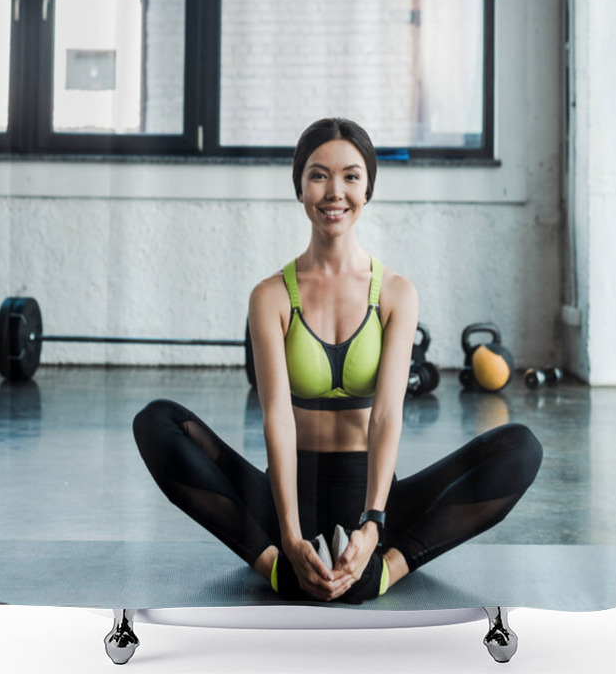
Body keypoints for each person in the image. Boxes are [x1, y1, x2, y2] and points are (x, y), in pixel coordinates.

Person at [133, 117, 543, 604]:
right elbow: (277, 418)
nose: (335, 191)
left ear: (367, 188)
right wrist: (287, 534)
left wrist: (373, 524)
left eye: (350, 175)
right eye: (318, 175)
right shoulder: (270, 296)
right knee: (158, 422)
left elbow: (388, 415)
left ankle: (386, 570)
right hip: (287, 498)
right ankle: (277, 569)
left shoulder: (395, 293)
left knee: (521, 447)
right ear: (300, 188)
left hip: (372, 502)